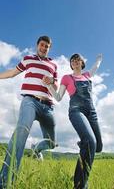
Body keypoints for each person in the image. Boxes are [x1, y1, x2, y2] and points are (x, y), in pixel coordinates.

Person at [0, 35, 58, 188]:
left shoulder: (53, 65)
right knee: (21, 132)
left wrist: (51, 81)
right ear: (37, 45)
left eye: (47, 46)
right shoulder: (28, 59)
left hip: (48, 106)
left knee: (52, 142)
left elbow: (56, 88)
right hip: (30, 101)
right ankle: (5, 182)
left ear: (49, 48)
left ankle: (37, 150)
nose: (44, 48)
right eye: (42, 45)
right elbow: (12, 72)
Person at [43, 53, 103, 189]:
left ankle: (83, 143)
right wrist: (48, 85)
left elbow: (96, 67)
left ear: (82, 63)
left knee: (98, 147)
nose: (75, 62)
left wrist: (99, 59)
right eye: (73, 60)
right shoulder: (67, 78)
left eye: (78, 60)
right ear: (71, 64)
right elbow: (58, 97)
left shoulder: (87, 75)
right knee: (90, 141)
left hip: (91, 112)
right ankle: (80, 184)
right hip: (76, 111)